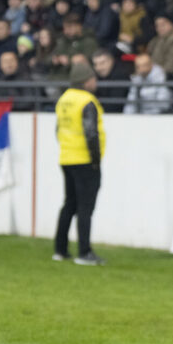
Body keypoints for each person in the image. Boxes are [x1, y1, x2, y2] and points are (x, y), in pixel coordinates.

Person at [54, 62, 106, 266]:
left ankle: (60, 249)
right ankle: (84, 252)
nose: (95, 81)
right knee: (86, 207)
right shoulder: (87, 101)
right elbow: (91, 133)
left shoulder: (63, 100)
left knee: (69, 204)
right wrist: (95, 160)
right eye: (93, 78)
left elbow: (57, 130)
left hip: (66, 157)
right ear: (86, 80)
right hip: (84, 159)